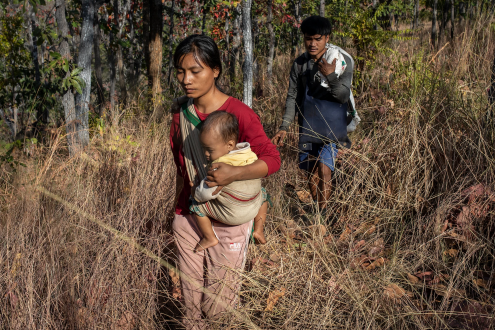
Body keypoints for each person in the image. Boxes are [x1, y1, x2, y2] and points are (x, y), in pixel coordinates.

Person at [169, 34, 280, 329]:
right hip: (190, 216)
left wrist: (234, 174)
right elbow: (181, 167)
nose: (186, 79)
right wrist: (186, 208)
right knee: (190, 302)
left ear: (215, 70)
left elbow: (272, 159)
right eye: (181, 71)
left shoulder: (240, 115)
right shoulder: (181, 114)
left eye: (195, 71)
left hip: (230, 223)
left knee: (219, 306)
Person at [271, 15, 354, 217]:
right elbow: (292, 96)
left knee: (325, 170)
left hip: (332, 124)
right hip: (307, 124)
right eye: (309, 38)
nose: (312, 43)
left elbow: (343, 95)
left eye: (318, 39)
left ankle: (322, 217)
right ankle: (318, 208)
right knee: (310, 171)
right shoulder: (300, 64)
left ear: (327, 38)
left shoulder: (341, 60)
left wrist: (330, 75)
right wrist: (284, 126)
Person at [190, 111, 268, 252]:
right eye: (203, 149)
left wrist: (195, 191)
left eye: (209, 149)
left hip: (233, 215)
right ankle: (259, 229)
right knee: (264, 194)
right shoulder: (248, 153)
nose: (206, 154)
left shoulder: (219, 168)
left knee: (196, 206)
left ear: (230, 145)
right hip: (253, 208)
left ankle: (209, 237)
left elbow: (205, 194)